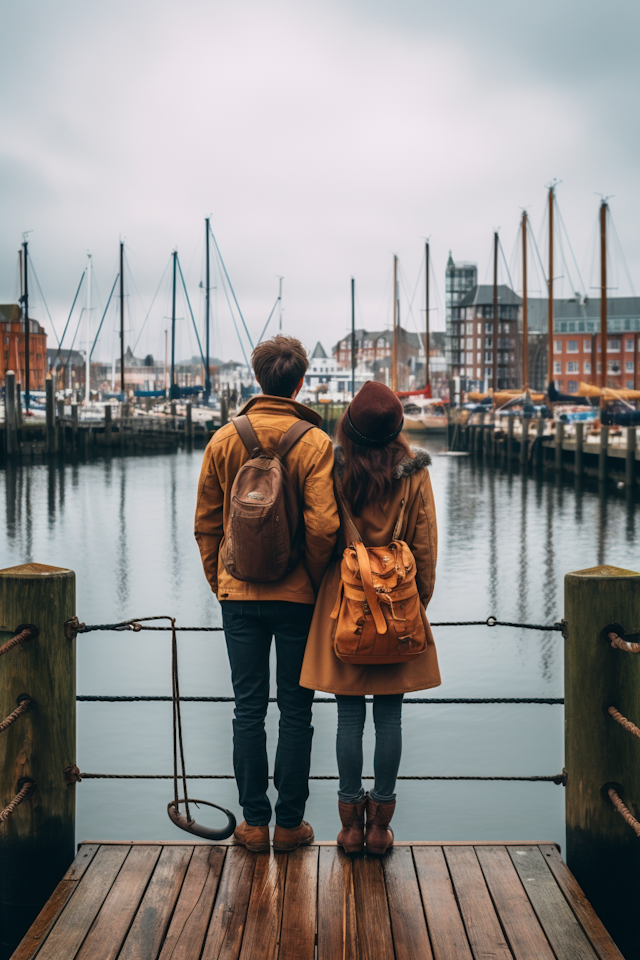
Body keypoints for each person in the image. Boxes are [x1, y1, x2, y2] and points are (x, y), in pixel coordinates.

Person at [195, 335, 339, 853]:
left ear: (258, 379)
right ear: (300, 381)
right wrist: (311, 578)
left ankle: (253, 825)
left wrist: (223, 585)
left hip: (239, 597)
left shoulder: (223, 440)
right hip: (299, 598)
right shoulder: (316, 443)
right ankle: (288, 826)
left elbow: (206, 525)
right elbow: (324, 526)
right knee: (296, 712)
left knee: (247, 710)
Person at [300, 380, 440, 855]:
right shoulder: (414, 473)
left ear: (349, 426)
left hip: (346, 604)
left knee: (347, 717)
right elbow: (424, 545)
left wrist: (325, 589)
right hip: (398, 603)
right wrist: (414, 606)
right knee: (390, 717)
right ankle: (381, 828)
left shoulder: (335, 468)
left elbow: (320, 532)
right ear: (398, 428)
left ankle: (349, 827)